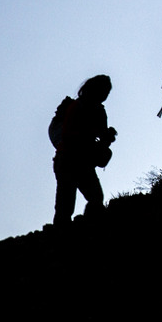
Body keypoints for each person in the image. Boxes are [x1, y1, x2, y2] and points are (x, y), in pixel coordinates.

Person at [51, 75, 116, 226]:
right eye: (104, 91)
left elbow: (100, 137)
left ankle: (84, 230)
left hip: (76, 161)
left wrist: (106, 138)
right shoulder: (78, 107)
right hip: (69, 159)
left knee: (93, 199)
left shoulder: (97, 111)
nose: (105, 95)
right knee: (66, 208)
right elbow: (71, 136)